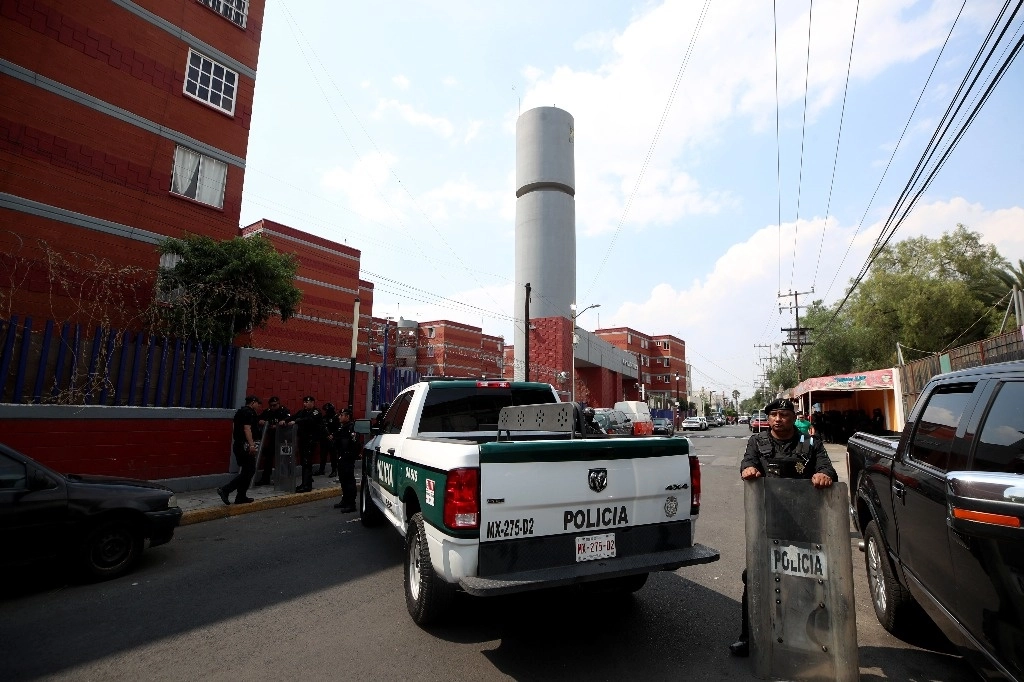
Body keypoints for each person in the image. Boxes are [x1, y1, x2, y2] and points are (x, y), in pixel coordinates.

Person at [729, 397, 837, 658]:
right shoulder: (758, 442)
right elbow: (747, 463)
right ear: (768, 418)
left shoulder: (810, 442)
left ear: (793, 417)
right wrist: (750, 469)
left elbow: (828, 469)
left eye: (784, 415)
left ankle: (806, 638)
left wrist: (823, 475)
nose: (779, 419)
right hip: (768, 523)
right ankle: (749, 637)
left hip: (803, 523)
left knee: (807, 581)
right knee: (754, 576)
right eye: (774, 415)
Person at [218, 395, 261, 505]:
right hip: (245, 445)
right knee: (249, 470)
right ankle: (226, 489)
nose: (259, 406)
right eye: (258, 404)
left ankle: (241, 496)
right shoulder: (249, 412)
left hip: (239, 445)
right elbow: (247, 429)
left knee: (248, 471)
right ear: (253, 402)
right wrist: (252, 445)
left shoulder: (240, 412)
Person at [254, 396, 291, 486]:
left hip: (283, 439)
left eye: (275, 405)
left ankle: (283, 480)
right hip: (272, 438)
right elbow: (258, 418)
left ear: (278, 404)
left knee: (283, 459)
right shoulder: (268, 412)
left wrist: (280, 424)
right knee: (268, 458)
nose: (273, 407)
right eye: (271, 406)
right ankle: (265, 479)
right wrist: (261, 421)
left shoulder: (284, 411)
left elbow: (288, 419)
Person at [292, 395, 325, 493]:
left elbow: (309, 420)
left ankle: (307, 485)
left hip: (310, 440)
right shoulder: (302, 412)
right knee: (303, 462)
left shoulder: (316, 412)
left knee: (307, 462)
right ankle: (304, 483)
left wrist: (296, 421)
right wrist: (285, 420)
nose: (305, 404)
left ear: (312, 403)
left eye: (307, 402)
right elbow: (294, 416)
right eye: (304, 402)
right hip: (303, 440)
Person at [332, 408, 358, 512]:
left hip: (347, 458)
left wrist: (349, 456)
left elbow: (353, 444)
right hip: (341, 457)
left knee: (349, 480)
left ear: (347, 417)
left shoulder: (351, 428)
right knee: (343, 479)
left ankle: (351, 504)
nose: (339, 417)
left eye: (342, 415)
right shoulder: (342, 428)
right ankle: (345, 500)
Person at [318, 402, 340, 478]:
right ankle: (321, 470)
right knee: (323, 455)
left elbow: (339, 429)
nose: (326, 412)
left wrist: (333, 435)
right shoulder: (324, 418)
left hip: (332, 439)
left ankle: (334, 470)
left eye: (327, 410)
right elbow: (321, 427)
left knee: (333, 456)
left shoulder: (336, 417)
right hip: (324, 439)